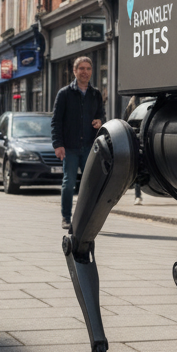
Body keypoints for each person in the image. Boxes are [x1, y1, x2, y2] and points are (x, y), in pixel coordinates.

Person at [52, 56, 105, 230]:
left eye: (88, 68)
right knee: (69, 183)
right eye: (81, 68)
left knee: (90, 184)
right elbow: (56, 121)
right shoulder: (65, 94)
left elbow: (100, 115)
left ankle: (86, 218)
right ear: (75, 71)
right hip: (70, 147)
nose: (85, 72)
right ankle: (66, 217)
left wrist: (99, 121)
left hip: (90, 146)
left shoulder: (95, 94)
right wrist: (58, 144)